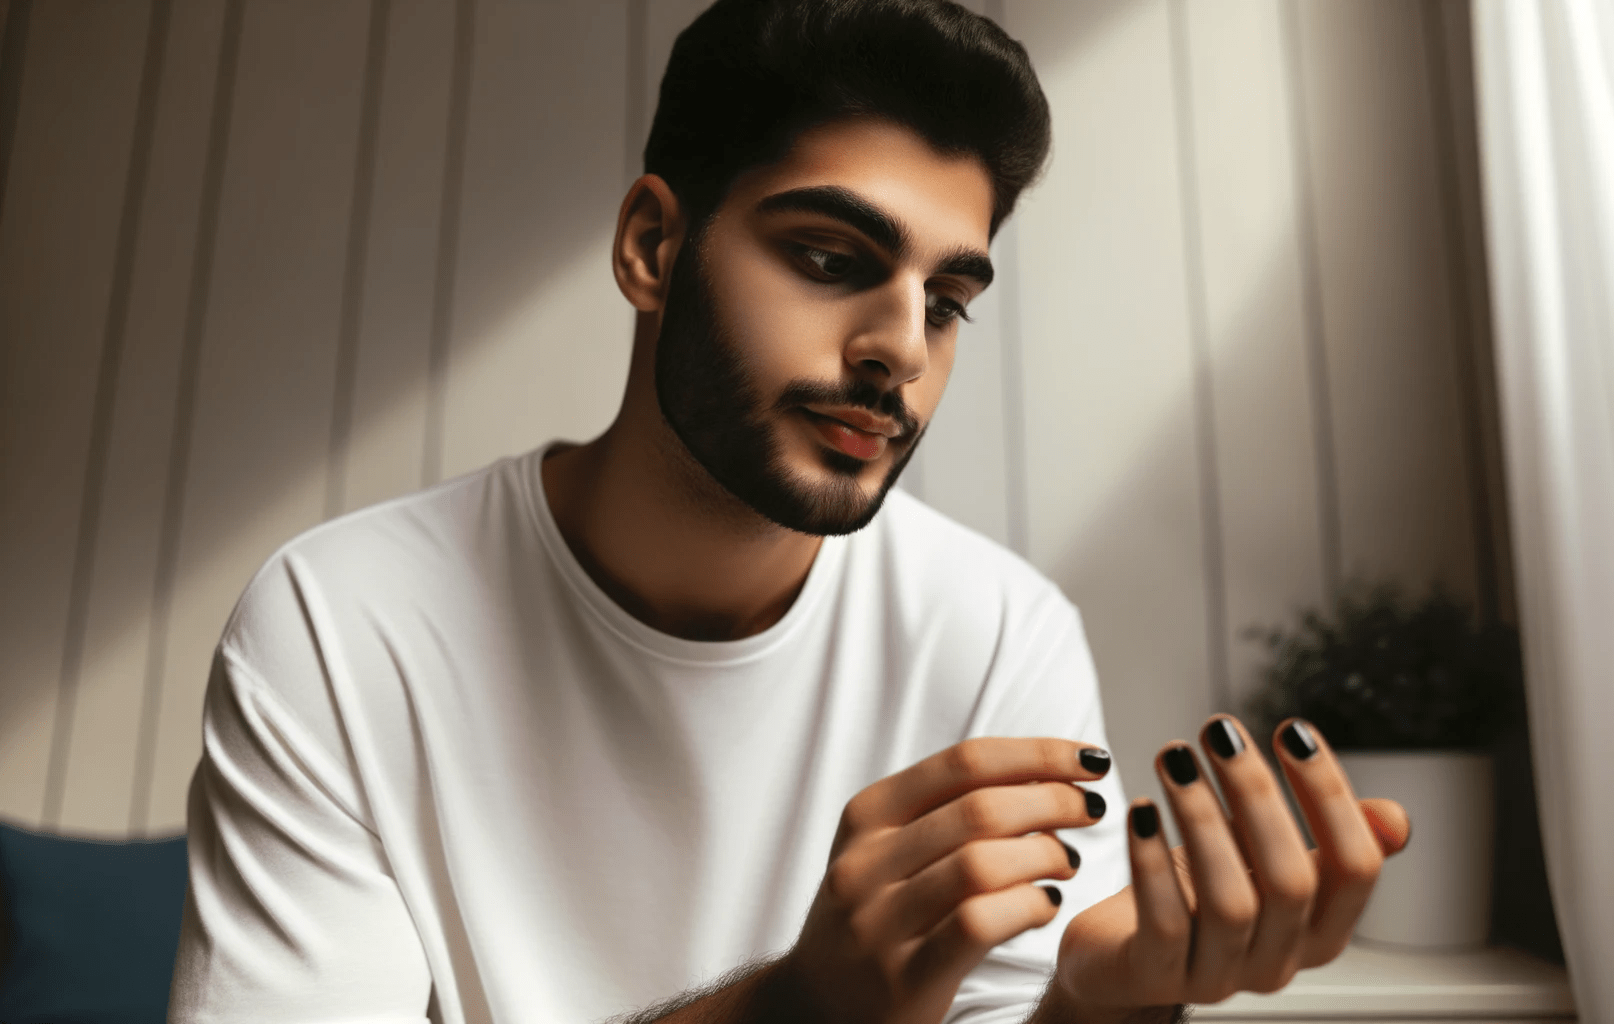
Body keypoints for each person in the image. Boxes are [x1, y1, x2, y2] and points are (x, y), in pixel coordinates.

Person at [167, 1, 1408, 1021]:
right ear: (653, 245)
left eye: (946, 298)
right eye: (829, 259)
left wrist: (1097, 1001)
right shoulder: (340, 622)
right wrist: (788, 1013)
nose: (898, 349)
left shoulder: (994, 629)